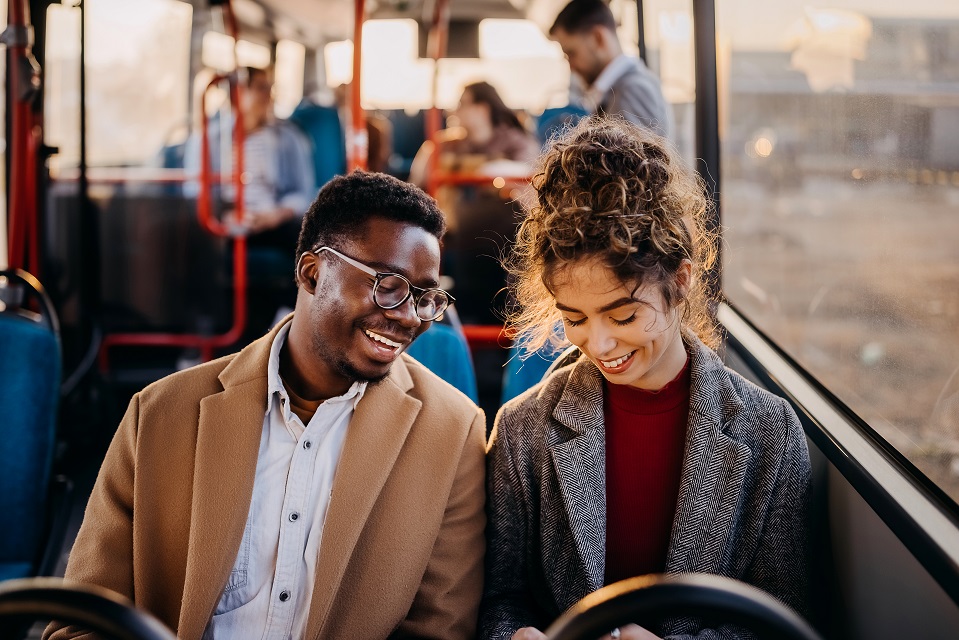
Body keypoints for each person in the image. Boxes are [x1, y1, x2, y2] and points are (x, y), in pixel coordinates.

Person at [46, 171, 487, 640]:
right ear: (313, 273)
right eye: (389, 286)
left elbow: (441, 631)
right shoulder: (159, 415)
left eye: (423, 298)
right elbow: (83, 620)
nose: (407, 317)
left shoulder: (454, 433)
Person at [481, 116, 810, 639]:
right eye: (574, 319)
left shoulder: (769, 433)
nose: (599, 345)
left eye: (623, 316)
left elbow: (786, 618)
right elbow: (501, 599)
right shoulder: (524, 432)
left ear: (679, 282)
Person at [550, 0, 672, 139]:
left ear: (598, 38)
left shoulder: (631, 90)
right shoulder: (618, 89)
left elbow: (630, 160)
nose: (571, 66)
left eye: (572, 53)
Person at [408, 81, 541, 187]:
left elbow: (528, 176)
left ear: (482, 109)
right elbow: (417, 183)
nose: (453, 111)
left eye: (461, 104)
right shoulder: (442, 145)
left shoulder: (517, 142)